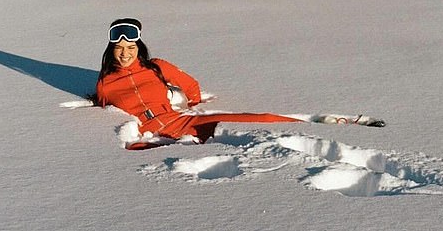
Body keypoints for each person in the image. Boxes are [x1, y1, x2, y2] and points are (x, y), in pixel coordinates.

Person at [95, 18, 303, 148]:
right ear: (111, 50)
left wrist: (192, 105)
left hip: (181, 121)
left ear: (138, 48)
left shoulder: (156, 67)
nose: (125, 54)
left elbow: (192, 86)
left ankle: (312, 127)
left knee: (260, 119)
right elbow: (103, 113)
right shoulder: (106, 84)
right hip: (150, 137)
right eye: (119, 48)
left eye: (130, 47)